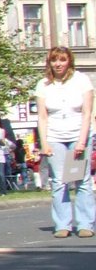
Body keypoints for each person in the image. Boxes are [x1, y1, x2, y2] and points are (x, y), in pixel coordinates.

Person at [34, 45, 94, 238]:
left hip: (78, 135)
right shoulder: (43, 84)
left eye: (62, 60)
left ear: (69, 61)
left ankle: (85, 224)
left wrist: (81, 142)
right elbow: (42, 117)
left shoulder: (81, 80)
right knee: (59, 181)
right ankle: (63, 224)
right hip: (55, 137)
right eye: (54, 60)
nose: (58, 64)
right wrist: (44, 143)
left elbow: (87, 113)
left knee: (81, 180)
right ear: (49, 62)